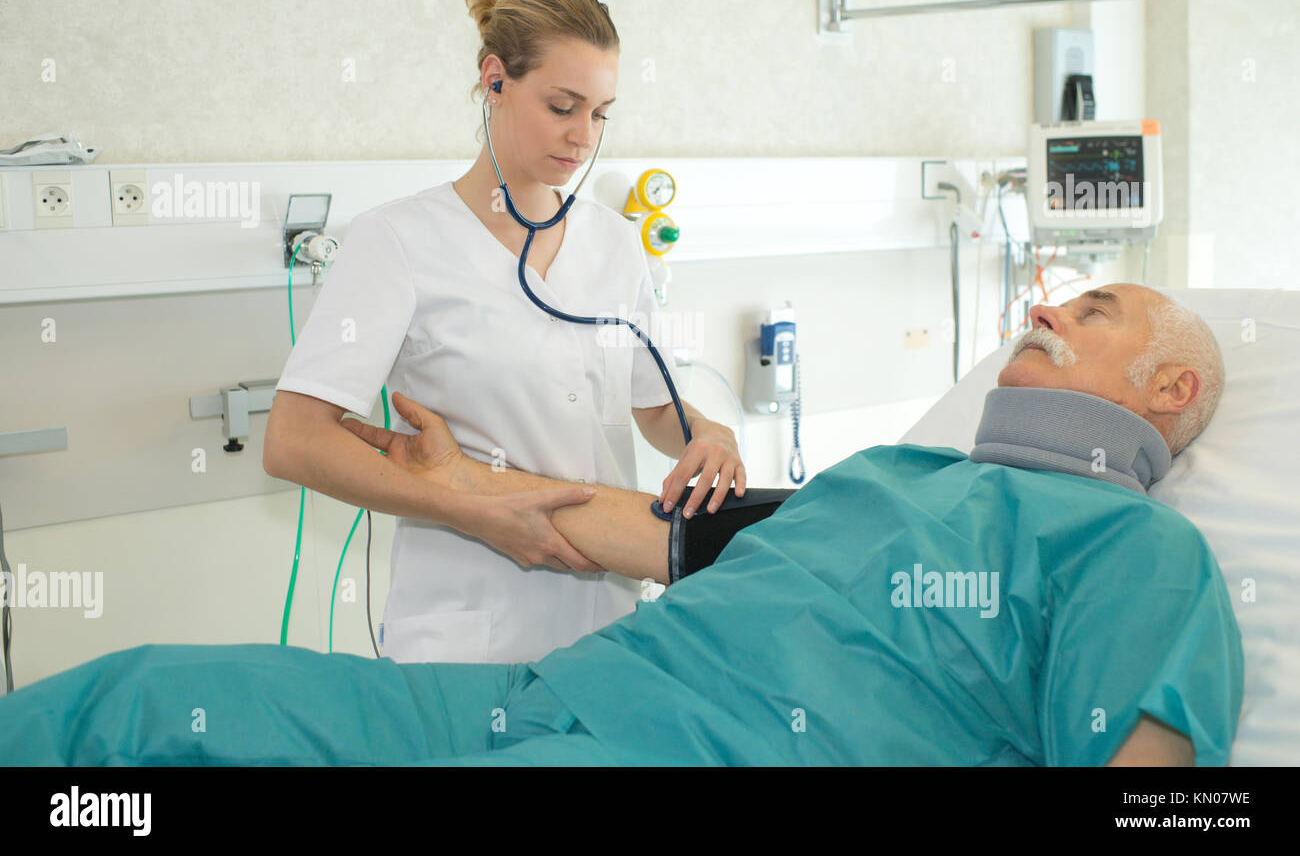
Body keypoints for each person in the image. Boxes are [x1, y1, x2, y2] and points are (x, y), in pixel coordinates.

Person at [0, 284, 1241, 766]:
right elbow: (628, 527)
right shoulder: (882, 479)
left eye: (1093, 306)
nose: (1042, 303)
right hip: (530, 705)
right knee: (138, 707)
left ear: (1167, 392)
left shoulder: (1134, 550)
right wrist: (459, 481)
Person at [262, 0, 745, 664]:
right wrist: (476, 512)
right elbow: (295, 440)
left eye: (601, 113)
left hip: (610, 621)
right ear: (495, 81)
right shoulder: (397, 242)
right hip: (468, 633)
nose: (584, 137)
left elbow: (650, 406)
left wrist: (709, 433)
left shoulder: (613, 242)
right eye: (562, 106)